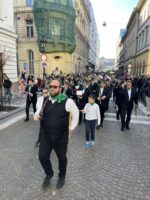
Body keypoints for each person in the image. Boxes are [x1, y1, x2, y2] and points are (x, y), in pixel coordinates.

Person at [34, 79, 79, 189]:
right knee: (42, 157)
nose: (52, 88)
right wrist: (36, 115)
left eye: (55, 86)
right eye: (51, 86)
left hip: (61, 137)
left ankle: (62, 176)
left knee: (62, 158)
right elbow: (38, 111)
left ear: (60, 88)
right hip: (46, 136)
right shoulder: (44, 100)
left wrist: (71, 128)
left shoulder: (67, 101)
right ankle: (49, 173)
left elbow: (76, 114)